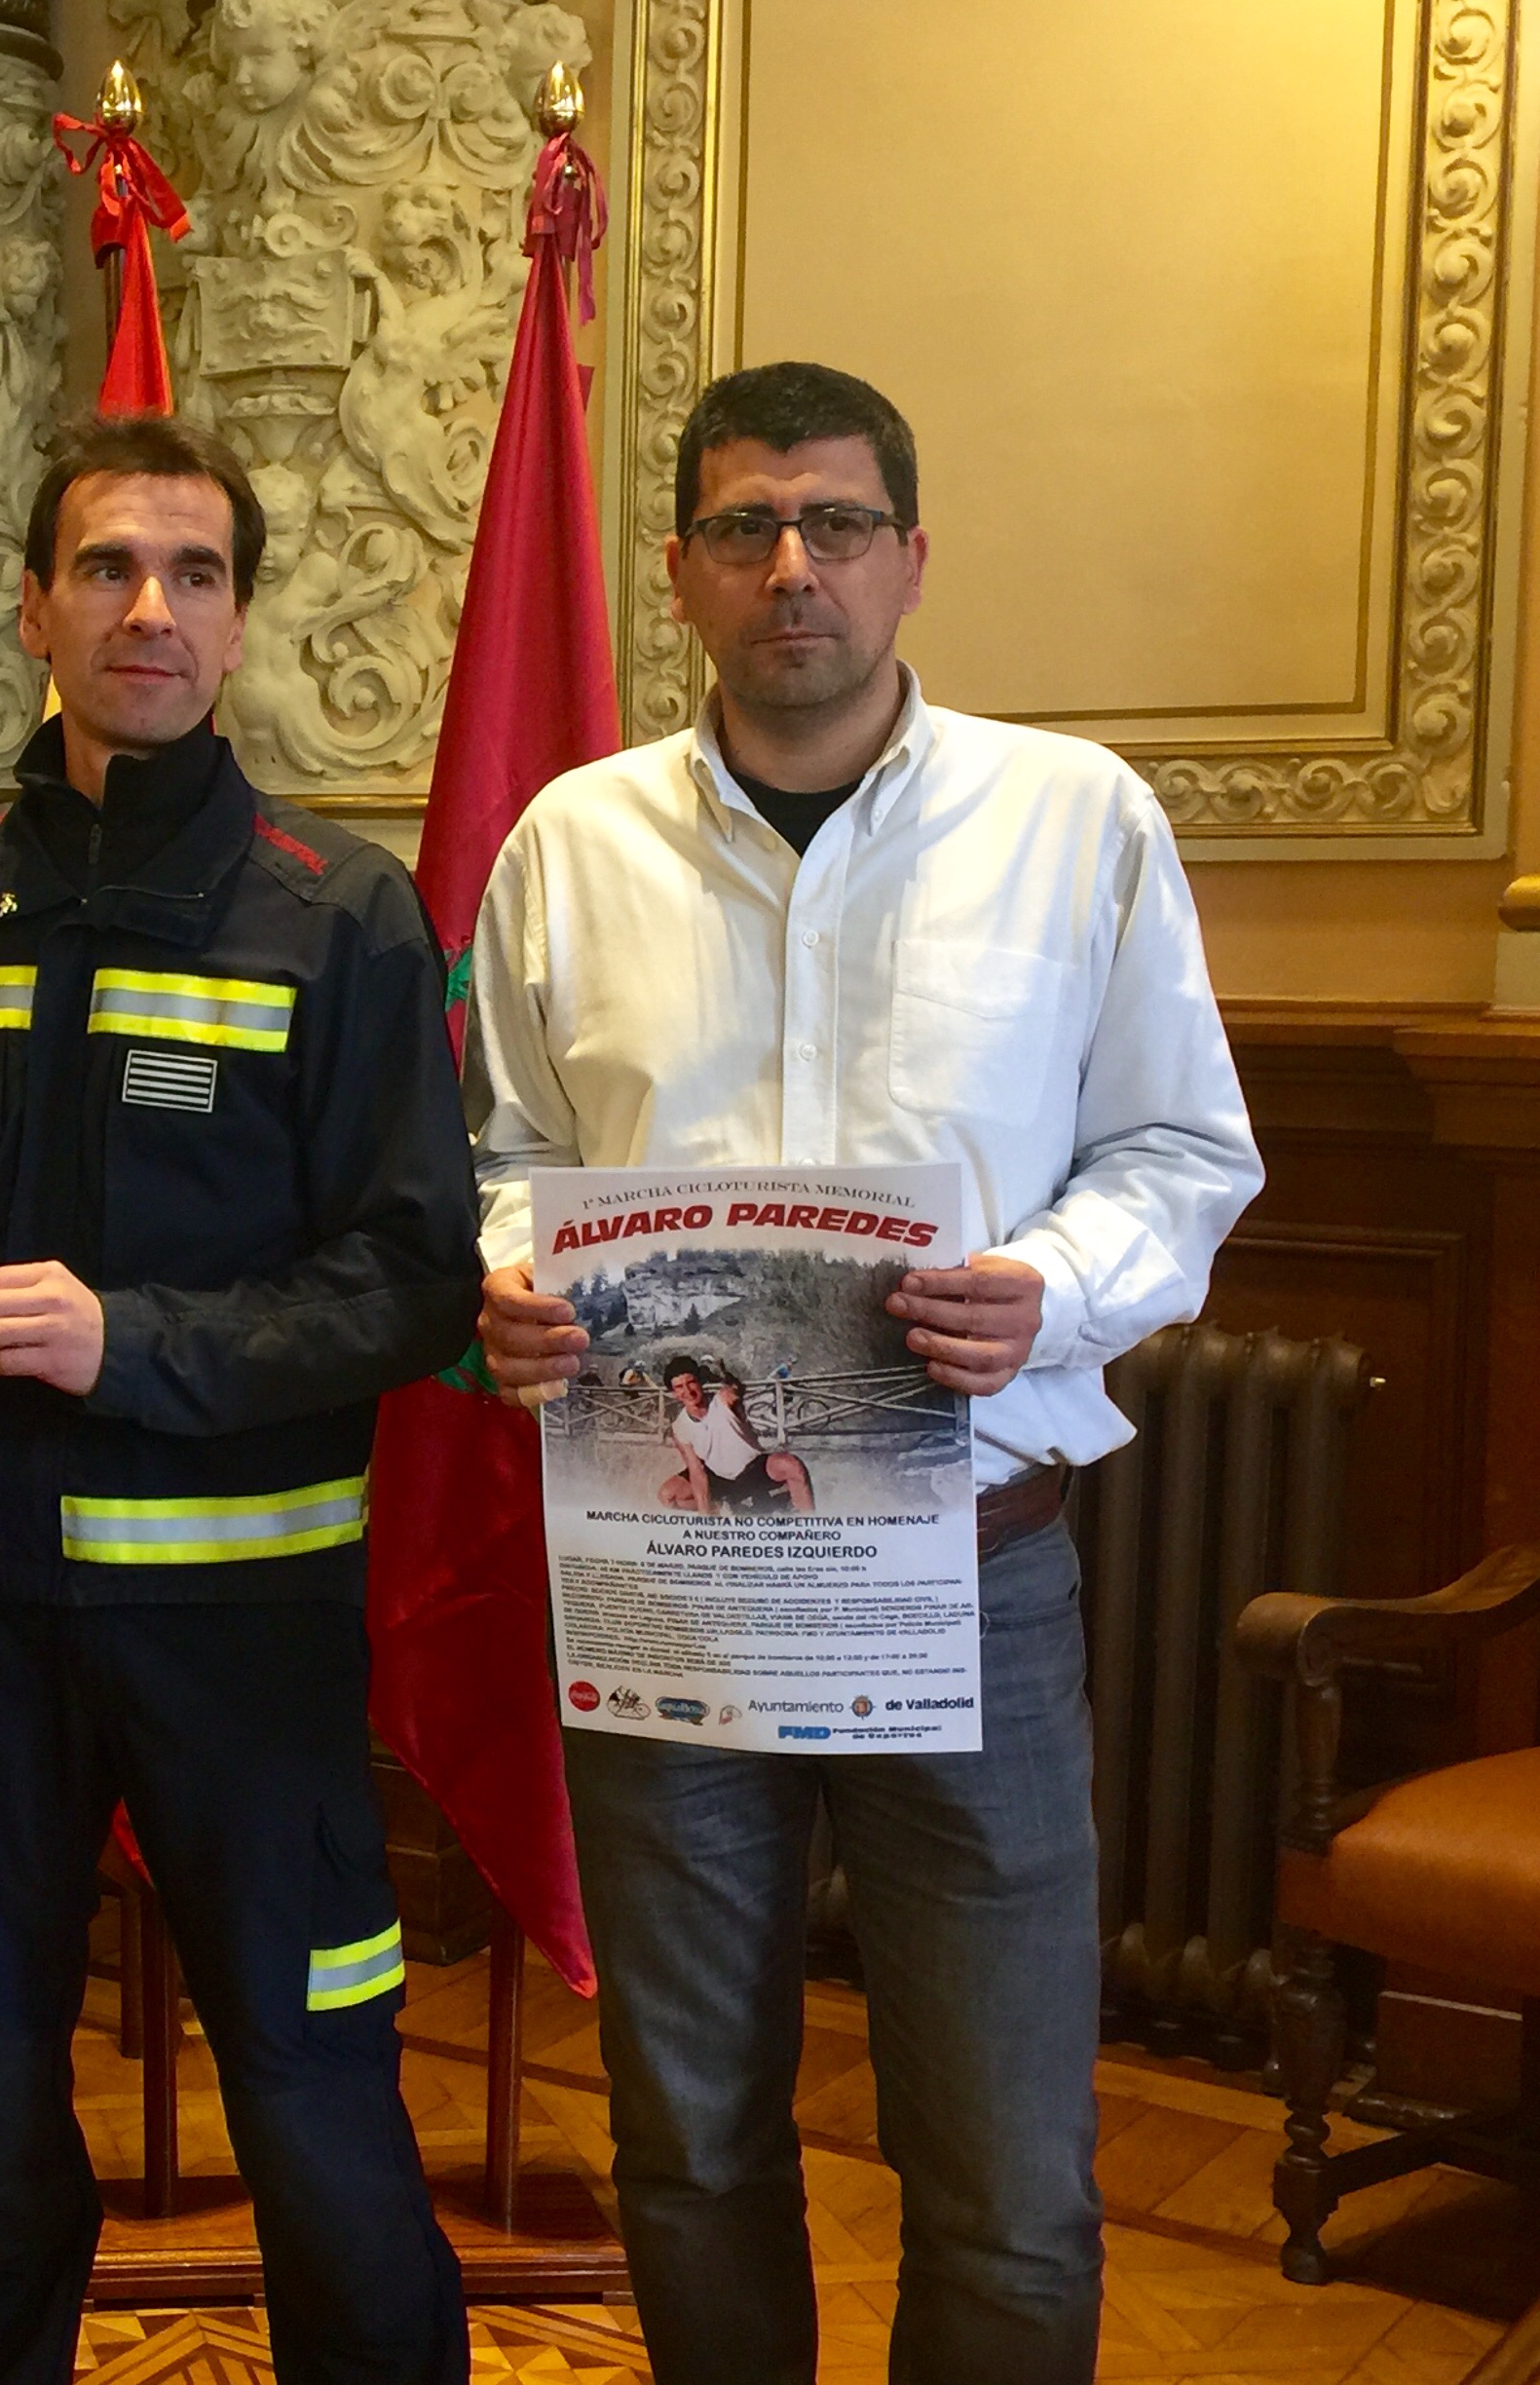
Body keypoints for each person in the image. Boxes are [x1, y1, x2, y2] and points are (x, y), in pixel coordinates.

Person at [470, 361, 1263, 2384]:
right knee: (686, 2139)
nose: (790, 568)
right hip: (668, 1580)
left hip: (971, 1576)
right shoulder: (570, 843)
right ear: (679, 568)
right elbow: (506, 1147)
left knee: (1007, 2171)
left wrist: (1047, 1290)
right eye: (743, 527)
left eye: (833, 524)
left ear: (910, 556)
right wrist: (510, 1277)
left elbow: (1178, 1149)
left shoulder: (1072, 819)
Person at [0, 414, 481, 2385]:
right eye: (107, 566)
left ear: (235, 622)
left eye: (194, 572)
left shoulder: (339, 911)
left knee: (314, 2101)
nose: (150, 605)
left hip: (248, 1644)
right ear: (31, 609)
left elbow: (412, 1280)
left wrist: (127, 1343)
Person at [657, 1358, 811, 1514]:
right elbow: (696, 1472)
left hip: (753, 1467)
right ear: (674, 1393)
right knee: (668, 1495)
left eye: (691, 1383)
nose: (688, 1391)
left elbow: (737, 1388)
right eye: (679, 1387)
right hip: (720, 1477)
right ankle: (724, 1508)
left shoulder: (723, 1399)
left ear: (700, 1382)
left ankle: (809, 1521)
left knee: (793, 1466)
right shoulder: (679, 1427)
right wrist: (705, 1516)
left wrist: (723, 1376)